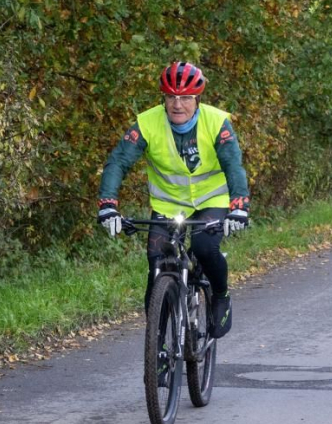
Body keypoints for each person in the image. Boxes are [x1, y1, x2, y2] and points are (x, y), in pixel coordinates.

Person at [97, 61, 250, 339]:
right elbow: (119, 161)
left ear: (198, 99)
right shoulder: (147, 123)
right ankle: (156, 343)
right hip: (167, 206)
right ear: (163, 98)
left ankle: (220, 296)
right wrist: (108, 205)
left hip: (211, 201)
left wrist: (239, 206)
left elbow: (233, 165)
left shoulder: (216, 122)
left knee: (204, 247)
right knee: (156, 264)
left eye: (186, 98)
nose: (177, 105)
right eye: (171, 97)